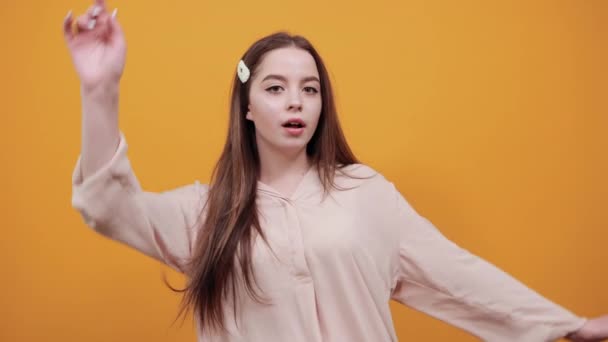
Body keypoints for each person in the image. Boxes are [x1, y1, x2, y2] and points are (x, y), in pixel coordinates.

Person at [63, 1, 607, 341]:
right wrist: (99, 90)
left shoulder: (365, 193)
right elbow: (107, 206)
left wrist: (566, 324)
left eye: (310, 89)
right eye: (275, 88)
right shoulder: (205, 213)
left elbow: (455, 274)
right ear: (247, 107)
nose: (295, 102)